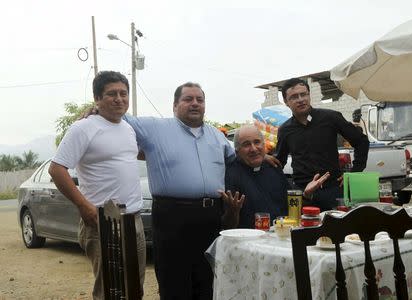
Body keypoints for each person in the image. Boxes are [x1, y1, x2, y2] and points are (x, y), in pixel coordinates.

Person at [123, 82, 239, 300]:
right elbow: (120, 116)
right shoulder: (155, 128)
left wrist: (264, 157)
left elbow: (237, 160)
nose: (195, 103)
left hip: (211, 218)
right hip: (172, 219)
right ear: (175, 105)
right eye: (188, 99)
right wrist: (95, 111)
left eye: (200, 100)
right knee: (174, 284)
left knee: (207, 283)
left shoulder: (217, 136)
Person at [48, 71, 146, 300]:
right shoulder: (83, 128)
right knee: (110, 290)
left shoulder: (128, 128)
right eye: (112, 94)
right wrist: (84, 206)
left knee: (134, 287)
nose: (119, 99)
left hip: (134, 219)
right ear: (97, 99)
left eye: (123, 93)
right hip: (104, 220)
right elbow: (57, 169)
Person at [276, 78, 369, 211]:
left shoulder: (331, 118)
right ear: (286, 102)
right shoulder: (285, 130)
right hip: (304, 194)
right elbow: (279, 163)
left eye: (304, 94)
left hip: (333, 190)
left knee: (337, 229)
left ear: (309, 95)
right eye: (294, 97)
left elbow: (361, 141)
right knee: (304, 230)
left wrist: (354, 173)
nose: (301, 99)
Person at [223, 125, 330, 228]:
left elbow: (292, 209)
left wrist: (306, 194)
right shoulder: (231, 175)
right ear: (237, 150)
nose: (254, 149)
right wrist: (233, 212)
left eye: (257, 142)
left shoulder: (273, 167)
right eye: (246, 144)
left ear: (264, 145)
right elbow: (228, 226)